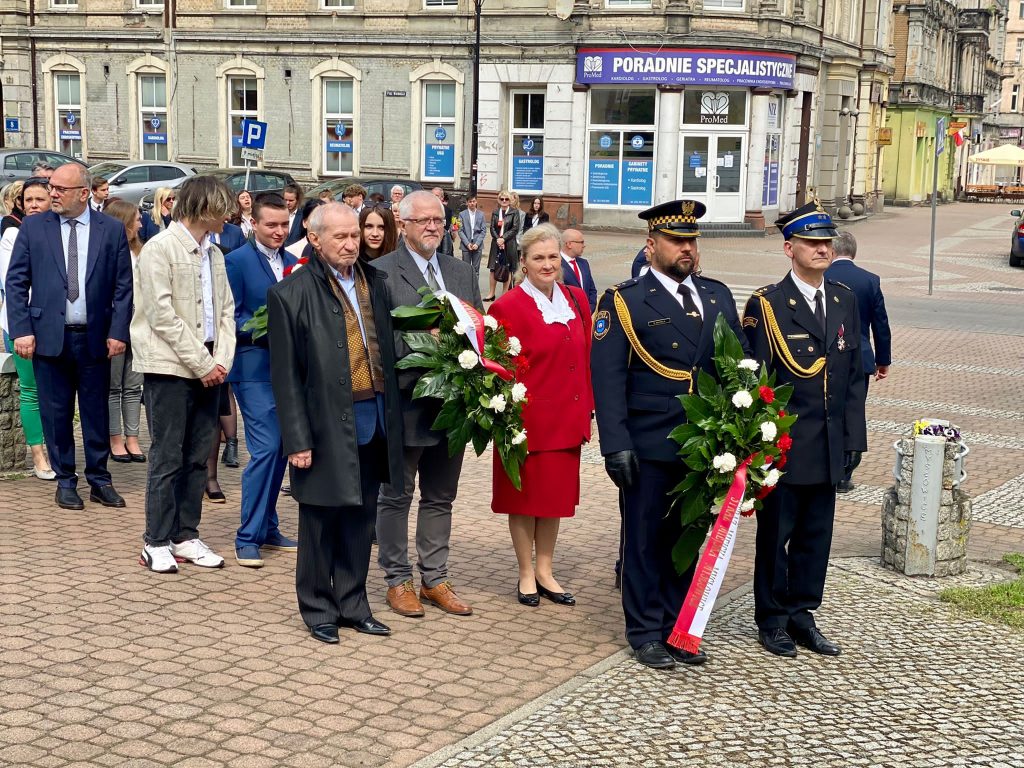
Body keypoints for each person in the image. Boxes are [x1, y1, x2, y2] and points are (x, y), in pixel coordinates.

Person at [591, 199, 747, 671]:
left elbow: (735, 368)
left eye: (692, 241)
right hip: (650, 440)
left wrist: (739, 435)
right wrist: (615, 444)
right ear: (651, 244)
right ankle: (644, 631)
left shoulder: (716, 295)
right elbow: (609, 377)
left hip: (703, 444)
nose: (687, 249)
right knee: (643, 537)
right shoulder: (625, 300)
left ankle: (679, 626)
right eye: (677, 241)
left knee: (686, 535)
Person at [267, 203, 405, 644]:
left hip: (374, 418)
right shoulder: (291, 294)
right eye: (341, 238)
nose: (351, 244)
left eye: (354, 236)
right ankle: (317, 608)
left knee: (361, 517)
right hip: (325, 423)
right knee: (320, 518)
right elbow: (285, 377)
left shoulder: (375, 282)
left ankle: (353, 602)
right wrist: (297, 439)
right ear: (315, 239)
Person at [741, 201, 867, 658]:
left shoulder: (844, 299)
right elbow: (753, 380)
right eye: (812, 242)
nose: (822, 249)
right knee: (776, 537)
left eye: (827, 242)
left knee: (817, 536)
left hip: (830, 443)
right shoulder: (768, 304)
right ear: (788, 248)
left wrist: (854, 438)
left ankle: (802, 614)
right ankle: (772, 619)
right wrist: (758, 446)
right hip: (786, 445)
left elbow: (853, 376)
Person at [374, 190, 483, 619]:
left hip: (452, 407)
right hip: (406, 402)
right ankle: (397, 580)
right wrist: (425, 344)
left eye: (438, 220)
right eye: (423, 221)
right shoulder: (381, 272)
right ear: (403, 226)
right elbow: (377, 341)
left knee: (441, 496)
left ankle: (434, 578)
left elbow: (479, 328)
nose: (433, 227)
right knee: (397, 494)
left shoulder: (460, 271)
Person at [6, 163, 133, 511]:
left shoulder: (110, 230)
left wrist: (118, 331)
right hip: (48, 337)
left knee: (95, 412)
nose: (53, 193)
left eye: (60, 188)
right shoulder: (34, 227)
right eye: (51, 187)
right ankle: (65, 480)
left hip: (94, 338)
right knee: (55, 413)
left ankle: (100, 479)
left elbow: (124, 287)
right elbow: (16, 283)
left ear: (83, 193)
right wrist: (21, 330)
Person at [131, 175, 237, 573]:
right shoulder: (160, 249)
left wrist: (221, 359)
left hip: (209, 365)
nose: (229, 215)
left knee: (196, 455)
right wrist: (204, 363)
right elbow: (161, 315)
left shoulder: (215, 254)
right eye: (223, 207)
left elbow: (226, 311)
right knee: (167, 455)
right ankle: (155, 540)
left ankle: (185, 534)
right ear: (205, 207)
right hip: (170, 366)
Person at [489, 223, 593, 607]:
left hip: (568, 418)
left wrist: (588, 409)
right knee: (524, 500)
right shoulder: (506, 306)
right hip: (527, 421)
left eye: (553, 257)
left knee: (554, 500)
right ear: (524, 263)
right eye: (539, 258)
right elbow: (498, 369)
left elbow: (585, 360)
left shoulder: (577, 299)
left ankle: (546, 570)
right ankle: (525, 573)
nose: (547, 265)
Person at [225, 192, 299, 568]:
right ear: (252, 223)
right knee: (267, 448)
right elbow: (229, 316)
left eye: (285, 224)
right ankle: (247, 536)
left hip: (290, 373)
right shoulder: (235, 261)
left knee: (284, 449)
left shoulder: (294, 262)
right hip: (253, 368)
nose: (279, 231)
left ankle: (269, 526)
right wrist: (266, 329)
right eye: (271, 225)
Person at [825, 230, 891, 493]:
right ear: (853, 252)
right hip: (860, 358)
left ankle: (826, 467)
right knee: (852, 412)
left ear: (832, 251)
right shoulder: (870, 280)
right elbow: (881, 324)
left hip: (825, 358)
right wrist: (882, 360)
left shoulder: (822, 276)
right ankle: (845, 473)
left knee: (827, 412)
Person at [0, 178, 55, 480]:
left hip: (56, 325)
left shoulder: (61, 232)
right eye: (28, 200)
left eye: (40, 200)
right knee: (32, 390)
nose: (33, 205)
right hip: (22, 325)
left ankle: (56, 448)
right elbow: (17, 285)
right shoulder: (12, 235)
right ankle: (38, 454)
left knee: (56, 392)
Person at [102, 199, 146, 463]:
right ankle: (114, 437)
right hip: (115, 326)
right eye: (136, 218)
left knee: (133, 387)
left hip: (138, 326)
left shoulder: (141, 250)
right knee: (113, 385)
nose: (140, 222)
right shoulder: (108, 251)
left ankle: (133, 437)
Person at [486, 190, 520, 301]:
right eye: (502, 199)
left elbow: (515, 228)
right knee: (493, 268)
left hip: (509, 244)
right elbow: (491, 228)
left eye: (506, 199)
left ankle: (504, 294)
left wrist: (503, 238)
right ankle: (491, 293)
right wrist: (498, 239)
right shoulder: (496, 212)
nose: (504, 201)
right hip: (496, 244)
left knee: (508, 268)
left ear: (510, 200)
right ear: (499, 200)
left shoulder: (514, 212)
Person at [560, 228, 598, 311]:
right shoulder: (556, 264)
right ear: (569, 244)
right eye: (581, 242)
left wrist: (590, 308)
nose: (584, 245)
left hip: (586, 315)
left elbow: (592, 289)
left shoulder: (583, 263)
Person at [458, 196, 486, 281]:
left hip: (478, 244)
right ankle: (466, 288)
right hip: (466, 245)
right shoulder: (462, 214)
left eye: (473, 201)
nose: (472, 203)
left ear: (476, 202)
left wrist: (477, 243)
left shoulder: (481, 214)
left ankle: (475, 290)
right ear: (467, 203)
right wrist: (467, 243)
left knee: (476, 270)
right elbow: (460, 230)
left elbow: (483, 230)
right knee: (466, 269)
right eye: (470, 202)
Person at [431, 187, 455, 256]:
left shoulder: (447, 211)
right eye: (432, 195)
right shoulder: (425, 209)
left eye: (436, 196)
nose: (434, 197)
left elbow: (447, 227)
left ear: (442, 198)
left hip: (443, 242)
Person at [283, 183, 305, 247]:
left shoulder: (302, 216)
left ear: (297, 200)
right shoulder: (278, 214)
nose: (287, 203)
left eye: (291, 200)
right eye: (285, 200)